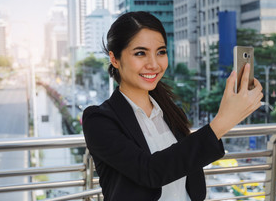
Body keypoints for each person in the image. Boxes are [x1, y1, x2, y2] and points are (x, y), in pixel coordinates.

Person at [82, 11, 263, 201]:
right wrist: (222, 122)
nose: (154, 64)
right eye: (140, 53)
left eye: (161, 52)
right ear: (114, 59)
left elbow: (186, 165)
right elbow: (150, 171)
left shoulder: (169, 111)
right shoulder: (98, 120)